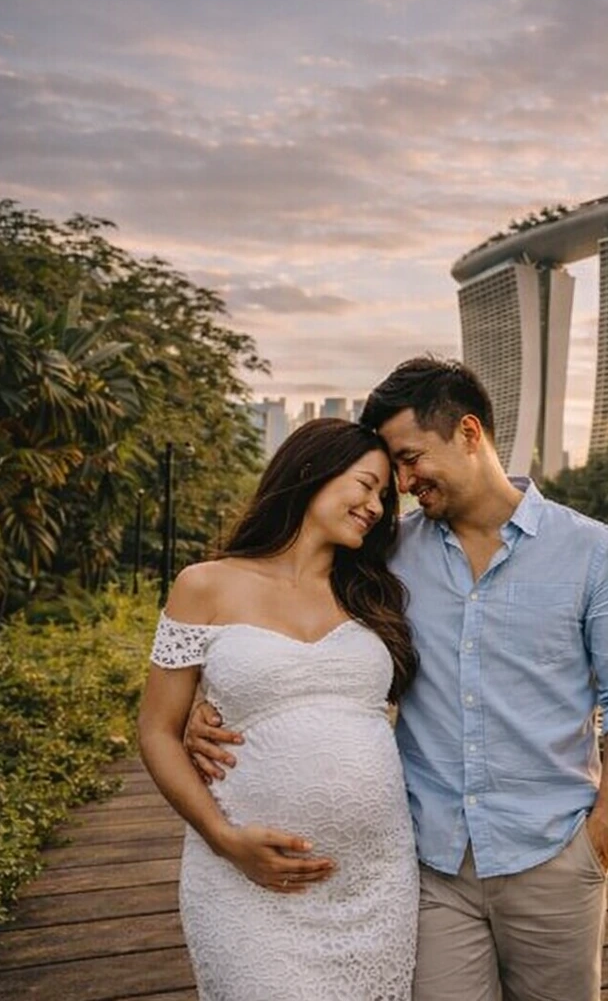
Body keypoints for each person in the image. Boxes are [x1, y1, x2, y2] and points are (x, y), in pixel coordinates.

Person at [187, 357, 608, 1001]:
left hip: (552, 853)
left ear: (469, 433)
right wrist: (211, 695)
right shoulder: (385, 552)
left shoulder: (592, 552)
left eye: (411, 459)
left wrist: (603, 830)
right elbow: (283, 613)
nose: (403, 484)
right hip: (431, 865)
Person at [138, 418, 420, 1001]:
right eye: (365, 485)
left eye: (384, 498)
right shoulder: (205, 585)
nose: (375, 506)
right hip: (244, 880)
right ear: (311, 470)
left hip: (375, 884)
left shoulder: (373, 591)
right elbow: (158, 732)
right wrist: (222, 838)